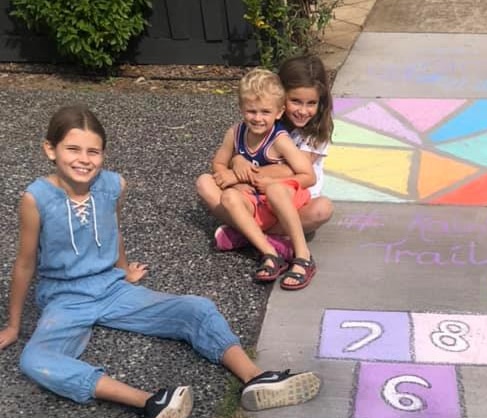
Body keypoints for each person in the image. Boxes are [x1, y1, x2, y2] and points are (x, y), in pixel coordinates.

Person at [0, 104, 321, 418]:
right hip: (65, 300)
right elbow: (25, 263)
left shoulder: (113, 185)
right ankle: (153, 402)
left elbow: (113, 229)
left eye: (93, 152)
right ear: (50, 149)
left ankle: (256, 377)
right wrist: (14, 325)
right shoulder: (36, 198)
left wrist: (123, 270)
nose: (84, 160)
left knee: (196, 308)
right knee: (35, 359)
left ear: (103, 155)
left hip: (112, 290)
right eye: (73, 149)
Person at [209, 55, 334, 290]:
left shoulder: (315, 133)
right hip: (258, 197)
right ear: (280, 99)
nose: (303, 111)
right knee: (205, 183)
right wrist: (237, 158)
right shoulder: (263, 122)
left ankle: (248, 235)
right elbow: (225, 159)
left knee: (323, 208)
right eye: (295, 101)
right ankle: (269, 242)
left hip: (296, 204)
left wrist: (237, 172)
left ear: (320, 103)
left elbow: (290, 170)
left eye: (311, 103)